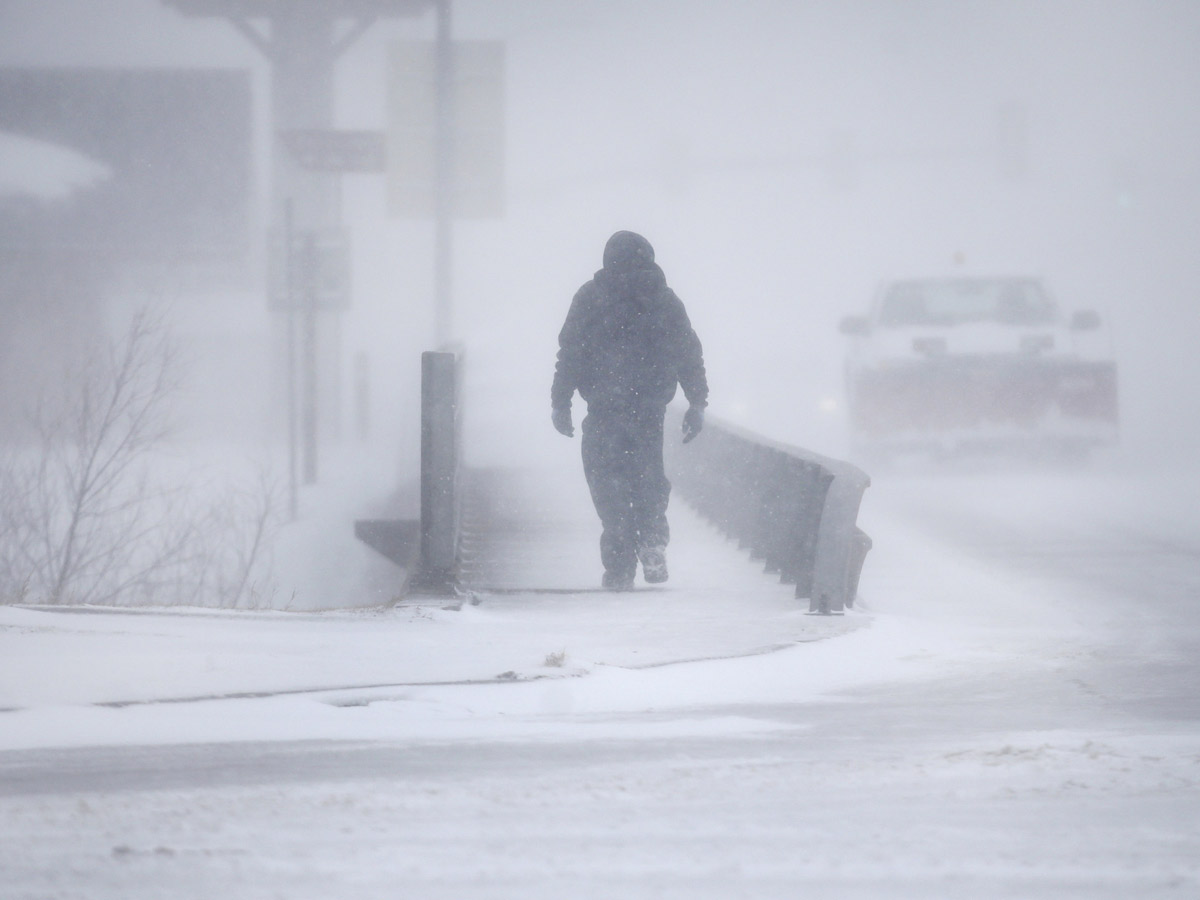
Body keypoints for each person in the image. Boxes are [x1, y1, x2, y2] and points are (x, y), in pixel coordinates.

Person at [551, 230, 709, 590]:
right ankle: (652, 538)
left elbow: (570, 353)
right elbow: (689, 354)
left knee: (607, 485)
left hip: (605, 410)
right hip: (648, 410)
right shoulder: (664, 301)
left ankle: (620, 565)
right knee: (647, 478)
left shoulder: (591, 298)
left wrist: (561, 402)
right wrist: (696, 403)